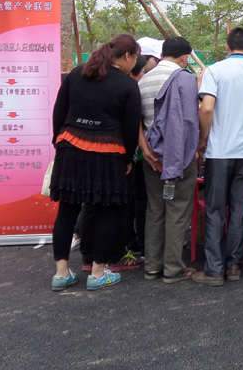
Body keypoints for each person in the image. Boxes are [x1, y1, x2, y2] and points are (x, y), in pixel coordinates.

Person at [49, 34, 141, 291]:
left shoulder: (78, 73)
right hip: (108, 153)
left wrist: (59, 142)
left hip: (70, 148)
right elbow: (130, 127)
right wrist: (127, 158)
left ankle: (61, 273)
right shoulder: (127, 85)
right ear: (127, 56)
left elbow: (59, 111)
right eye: (135, 58)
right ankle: (98, 274)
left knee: (67, 210)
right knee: (107, 211)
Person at [192, 27, 243, 287]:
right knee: (239, 208)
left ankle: (214, 269)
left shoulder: (215, 71)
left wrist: (203, 140)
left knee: (214, 209)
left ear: (226, 47)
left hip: (219, 151)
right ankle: (234, 265)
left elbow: (207, 107)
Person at [140, 37, 200, 284]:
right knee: (177, 209)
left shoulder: (143, 80)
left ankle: (152, 265)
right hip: (179, 157)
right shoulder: (185, 79)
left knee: (155, 208)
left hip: (151, 155)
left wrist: (146, 149)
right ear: (185, 57)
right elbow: (188, 121)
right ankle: (173, 267)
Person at [108, 54, 148, 271]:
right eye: (141, 73)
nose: (143, 76)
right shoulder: (129, 88)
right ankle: (131, 247)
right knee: (134, 203)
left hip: (123, 155)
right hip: (130, 157)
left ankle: (130, 245)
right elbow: (134, 124)